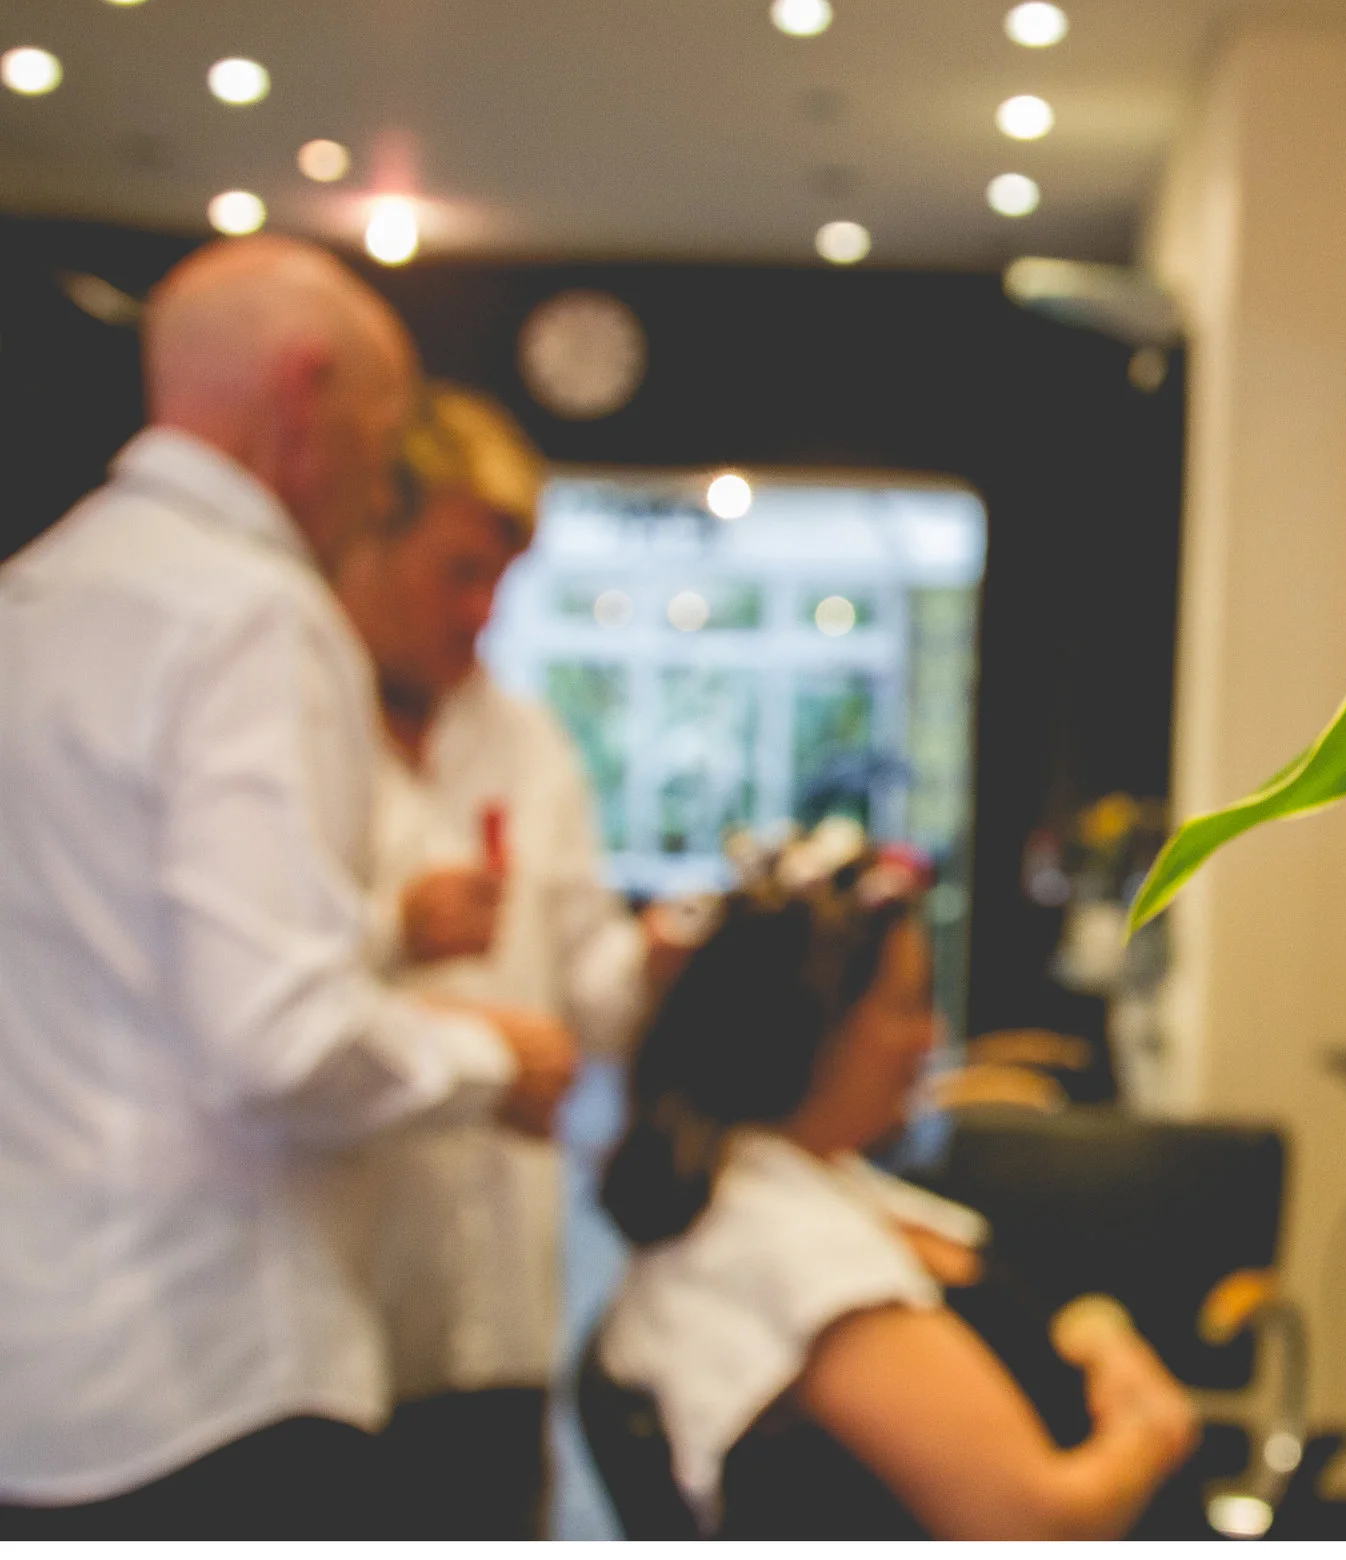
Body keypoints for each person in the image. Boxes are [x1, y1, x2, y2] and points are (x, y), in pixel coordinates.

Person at [0, 236, 579, 1537]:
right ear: (305, 387)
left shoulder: (34, 596)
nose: (383, 475)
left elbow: (137, 966)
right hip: (210, 1372)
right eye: (385, 428)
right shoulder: (254, 611)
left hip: (37, 1379)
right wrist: (490, 1058)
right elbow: (277, 1036)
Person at [588, 830, 1201, 1538]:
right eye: (908, 1006)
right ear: (807, 1030)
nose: (931, 1036)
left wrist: (1102, 1334)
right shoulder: (795, 1256)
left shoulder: (793, 1181)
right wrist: (1149, 1426)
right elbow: (1038, 1525)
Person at [324, 381, 683, 1536]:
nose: (480, 613)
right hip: (334, 1303)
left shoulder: (524, 744)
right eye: (456, 573)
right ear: (368, 541)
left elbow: (594, 986)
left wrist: (663, 969)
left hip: (497, 1304)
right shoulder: (284, 719)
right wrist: (391, 933)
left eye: (499, 583)